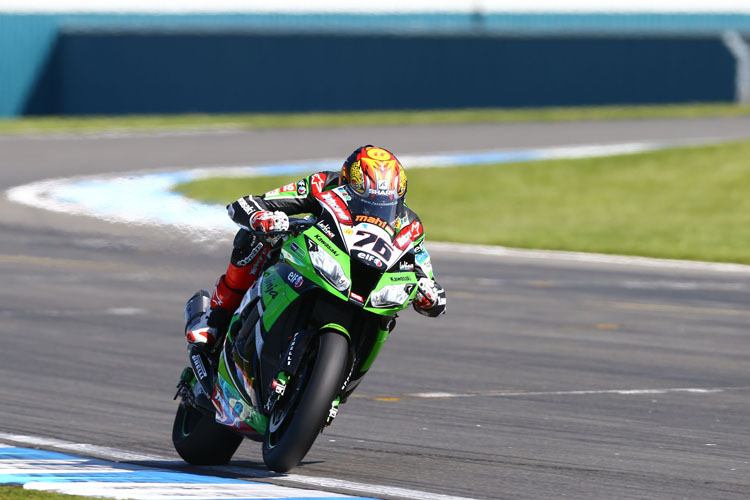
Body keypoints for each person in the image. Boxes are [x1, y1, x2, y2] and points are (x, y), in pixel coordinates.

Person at [186, 145, 447, 349]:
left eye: (383, 202)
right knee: (253, 238)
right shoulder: (323, 185)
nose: (374, 209)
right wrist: (261, 217)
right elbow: (248, 204)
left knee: (390, 315)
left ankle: (342, 376)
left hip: (364, 288)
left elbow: (427, 277)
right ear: (348, 183)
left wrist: (429, 294)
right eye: (365, 200)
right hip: (309, 258)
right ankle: (216, 318)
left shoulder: (410, 224)